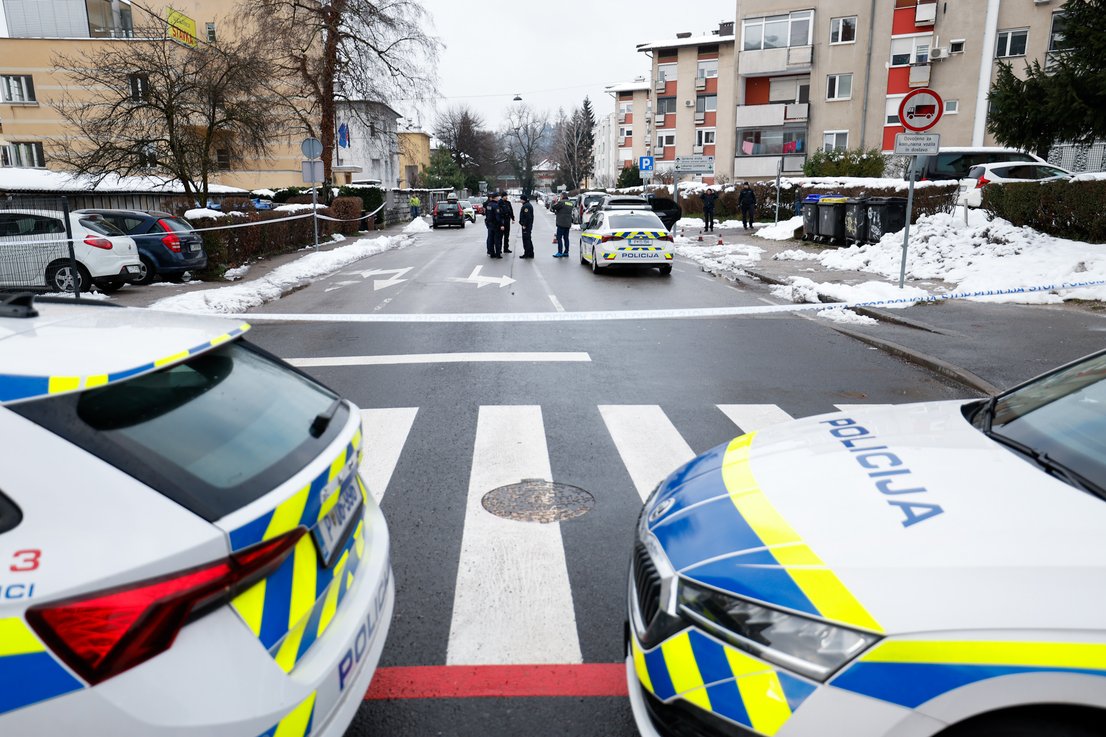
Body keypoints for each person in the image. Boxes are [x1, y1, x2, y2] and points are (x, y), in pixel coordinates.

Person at [551, 192, 573, 258]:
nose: (560, 197)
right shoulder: (570, 203)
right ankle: (566, 252)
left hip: (561, 223)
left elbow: (553, 207)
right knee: (566, 238)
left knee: (559, 238)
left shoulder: (561, 202)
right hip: (568, 224)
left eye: (560, 196)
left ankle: (560, 252)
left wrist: (554, 201)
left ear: (562, 196)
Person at [484, 192, 502, 258]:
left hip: (489, 224)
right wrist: (500, 224)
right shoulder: (496, 205)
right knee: (497, 239)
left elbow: (487, 214)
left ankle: (492, 253)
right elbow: (497, 216)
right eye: (498, 197)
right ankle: (498, 254)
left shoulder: (488, 205)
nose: (499, 198)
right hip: (495, 225)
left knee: (490, 239)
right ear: (495, 197)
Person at [518, 193, 535, 258]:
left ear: (523, 200)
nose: (520, 201)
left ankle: (527, 253)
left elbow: (527, 217)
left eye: (521, 199)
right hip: (528, 225)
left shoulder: (526, 206)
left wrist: (524, 224)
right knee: (528, 239)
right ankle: (530, 253)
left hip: (526, 226)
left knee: (526, 240)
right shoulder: (528, 205)